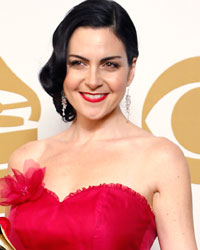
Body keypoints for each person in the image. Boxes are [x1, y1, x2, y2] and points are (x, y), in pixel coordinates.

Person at [0, 0, 198, 249]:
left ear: (131, 69)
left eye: (109, 64)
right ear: (63, 68)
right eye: (78, 63)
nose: (93, 80)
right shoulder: (26, 157)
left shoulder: (160, 158)